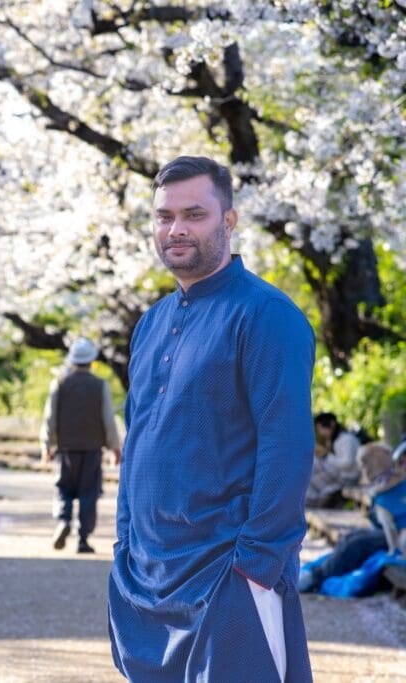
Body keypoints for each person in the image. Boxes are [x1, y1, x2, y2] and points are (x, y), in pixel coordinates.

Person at [109, 156, 315, 682]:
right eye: (163, 216)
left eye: (194, 214)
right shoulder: (150, 323)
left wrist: (256, 565)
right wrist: (124, 545)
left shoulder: (266, 315)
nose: (175, 229)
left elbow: (286, 447)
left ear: (228, 220)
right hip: (144, 579)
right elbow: (137, 444)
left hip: (228, 575)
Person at [39, 337, 122, 554]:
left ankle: (63, 520)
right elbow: (108, 418)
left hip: (66, 449)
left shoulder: (59, 383)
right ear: (91, 360)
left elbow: (50, 417)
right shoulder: (99, 385)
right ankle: (83, 539)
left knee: (63, 489)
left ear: (72, 360)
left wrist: (46, 444)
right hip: (92, 450)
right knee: (89, 494)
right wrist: (115, 447)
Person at [299, 442, 406, 594]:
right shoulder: (391, 486)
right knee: (352, 537)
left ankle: (315, 578)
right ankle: (319, 572)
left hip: (399, 536)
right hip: (393, 531)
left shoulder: (394, 488)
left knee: (358, 542)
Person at [305, 412, 362, 507]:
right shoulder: (337, 440)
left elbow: (347, 464)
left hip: (349, 478)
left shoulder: (346, 439)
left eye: (321, 428)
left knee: (313, 464)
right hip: (342, 476)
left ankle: (312, 501)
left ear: (332, 424)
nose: (321, 433)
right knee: (312, 463)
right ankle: (311, 500)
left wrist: (325, 455)